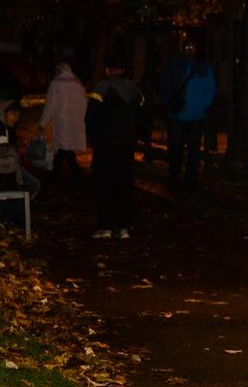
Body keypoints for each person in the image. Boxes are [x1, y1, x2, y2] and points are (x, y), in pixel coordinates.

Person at [86, 55, 145, 239]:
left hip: (105, 147)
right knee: (124, 185)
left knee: (105, 185)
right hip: (125, 146)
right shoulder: (135, 92)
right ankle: (124, 226)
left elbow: (90, 120)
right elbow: (142, 119)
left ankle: (105, 226)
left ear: (108, 70)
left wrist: (94, 140)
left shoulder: (100, 91)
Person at [159, 40, 217, 192]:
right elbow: (165, 85)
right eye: (187, 47)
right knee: (181, 149)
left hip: (189, 115)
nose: (190, 50)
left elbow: (210, 89)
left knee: (189, 149)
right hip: (182, 115)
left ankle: (187, 178)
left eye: (192, 47)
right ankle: (179, 176)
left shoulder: (202, 68)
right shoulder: (176, 66)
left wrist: (202, 105)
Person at [39, 60, 88, 182]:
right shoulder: (77, 84)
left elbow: (50, 105)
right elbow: (84, 102)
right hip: (75, 121)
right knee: (66, 148)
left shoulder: (55, 84)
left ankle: (62, 174)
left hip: (62, 122)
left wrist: (42, 123)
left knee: (64, 148)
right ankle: (65, 174)